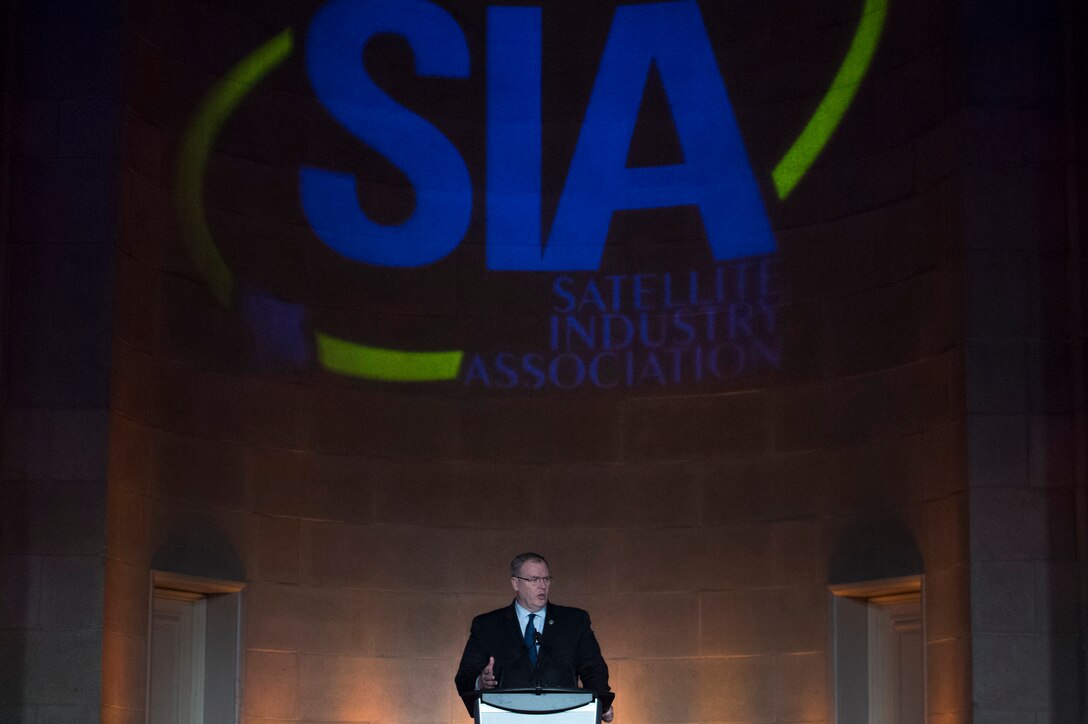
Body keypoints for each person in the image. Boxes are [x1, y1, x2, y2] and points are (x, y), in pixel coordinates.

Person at [454, 552, 615, 721]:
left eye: (546, 579)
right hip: (506, 716)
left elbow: (593, 669)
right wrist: (481, 681)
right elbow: (465, 677)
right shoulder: (487, 625)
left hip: (564, 715)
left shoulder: (574, 621)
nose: (542, 586)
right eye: (534, 579)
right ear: (515, 583)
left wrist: (600, 704)